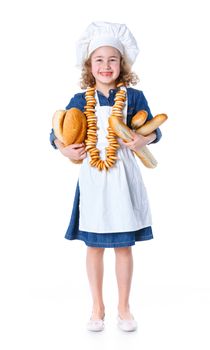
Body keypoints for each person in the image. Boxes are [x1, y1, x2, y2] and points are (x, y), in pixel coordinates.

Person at [50, 21, 162, 332]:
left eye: (113, 59)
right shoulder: (79, 101)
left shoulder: (134, 97)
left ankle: (124, 307)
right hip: (94, 182)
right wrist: (63, 149)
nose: (106, 66)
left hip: (123, 179)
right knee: (94, 246)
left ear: (122, 64)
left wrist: (144, 140)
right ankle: (96, 306)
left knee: (123, 247)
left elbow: (156, 130)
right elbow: (55, 132)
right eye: (99, 59)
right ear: (89, 65)